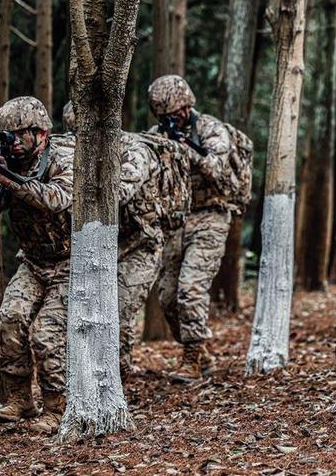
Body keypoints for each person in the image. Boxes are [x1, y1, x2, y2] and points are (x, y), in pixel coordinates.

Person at [61, 102, 192, 379]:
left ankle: (116, 375)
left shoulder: (133, 150)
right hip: (108, 245)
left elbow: (120, 192)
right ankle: (104, 372)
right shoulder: (79, 153)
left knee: (119, 306)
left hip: (143, 244)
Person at [0, 96, 74, 434]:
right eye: (8, 136)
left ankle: (56, 407)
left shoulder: (63, 156)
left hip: (70, 261)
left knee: (47, 333)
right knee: (9, 320)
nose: (13, 143)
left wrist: (11, 181)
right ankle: (20, 399)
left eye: (20, 135)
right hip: (33, 260)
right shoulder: (8, 162)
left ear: (41, 133)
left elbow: (57, 199)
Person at [147, 74, 238, 382]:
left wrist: (185, 149)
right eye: (164, 117)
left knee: (191, 288)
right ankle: (199, 353)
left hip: (210, 215)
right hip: (175, 220)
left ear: (186, 108)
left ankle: (192, 358)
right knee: (169, 296)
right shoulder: (157, 135)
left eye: (173, 115)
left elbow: (217, 168)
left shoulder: (210, 129)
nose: (170, 121)